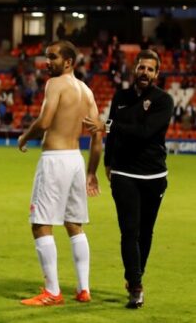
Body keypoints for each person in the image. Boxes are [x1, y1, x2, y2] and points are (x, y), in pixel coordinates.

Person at [83, 49, 174, 309]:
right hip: (124, 174)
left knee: (146, 232)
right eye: (141, 67)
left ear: (156, 74)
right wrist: (109, 162)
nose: (144, 72)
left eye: (150, 69)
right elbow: (112, 131)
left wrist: (108, 126)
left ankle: (136, 273)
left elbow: (145, 132)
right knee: (129, 231)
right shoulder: (120, 96)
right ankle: (135, 286)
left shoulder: (163, 101)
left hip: (155, 174)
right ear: (134, 69)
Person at [17, 40, 102, 306]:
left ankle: (52, 292)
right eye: (46, 57)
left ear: (68, 62)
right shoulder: (86, 91)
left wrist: (24, 136)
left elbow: (44, 122)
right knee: (74, 224)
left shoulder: (55, 84)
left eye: (52, 57)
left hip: (55, 160)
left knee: (41, 224)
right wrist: (91, 172)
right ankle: (84, 288)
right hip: (76, 160)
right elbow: (98, 134)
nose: (47, 62)